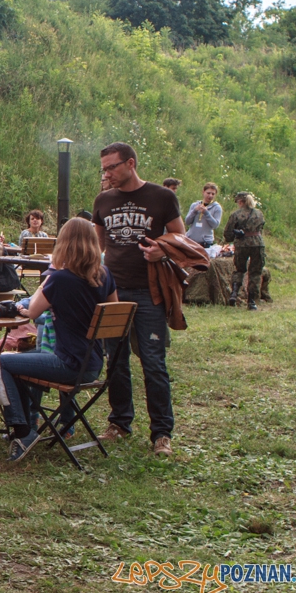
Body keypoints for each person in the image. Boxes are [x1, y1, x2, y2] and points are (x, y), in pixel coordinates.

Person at [0, 218, 118, 462]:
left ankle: (23, 431)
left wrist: (52, 275)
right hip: (92, 364)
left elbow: (32, 311)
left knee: (2, 361)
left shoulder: (60, 279)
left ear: (62, 243)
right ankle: (25, 424)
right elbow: (114, 310)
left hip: (67, 363)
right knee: (19, 361)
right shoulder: (104, 275)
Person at [93, 142, 184, 457]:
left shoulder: (162, 197)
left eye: (112, 167)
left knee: (153, 362)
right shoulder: (103, 200)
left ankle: (161, 433)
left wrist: (163, 249)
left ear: (130, 163)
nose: (107, 173)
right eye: (104, 168)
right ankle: (119, 422)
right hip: (113, 291)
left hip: (149, 292)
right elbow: (97, 245)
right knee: (115, 361)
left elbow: (180, 239)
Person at [223, 191, 265, 310]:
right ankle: (252, 301)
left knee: (239, 269)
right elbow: (261, 227)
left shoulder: (236, 214)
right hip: (258, 244)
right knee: (255, 272)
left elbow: (228, 234)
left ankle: (234, 294)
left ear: (240, 201)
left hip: (242, 244)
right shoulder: (259, 213)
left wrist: (236, 235)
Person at [184, 183, 223, 247]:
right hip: (191, 240)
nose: (210, 196)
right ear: (203, 192)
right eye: (208, 193)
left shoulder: (217, 207)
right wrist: (194, 211)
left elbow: (215, 225)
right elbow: (187, 222)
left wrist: (206, 213)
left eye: (213, 194)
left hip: (205, 242)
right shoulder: (194, 205)